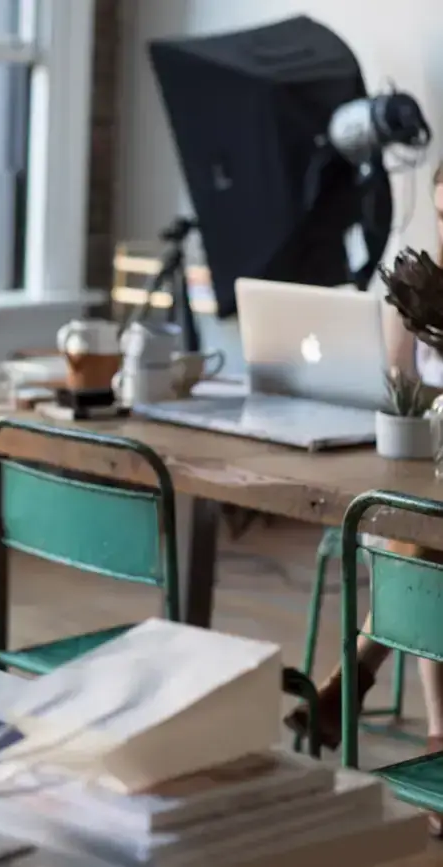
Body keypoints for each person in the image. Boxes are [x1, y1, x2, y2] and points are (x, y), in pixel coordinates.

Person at [285, 161, 443, 836]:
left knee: (421, 540)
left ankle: (354, 681)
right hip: (429, 475)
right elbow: (401, 390)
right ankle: (436, 734)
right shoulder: (423, 288)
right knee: (419, 534)